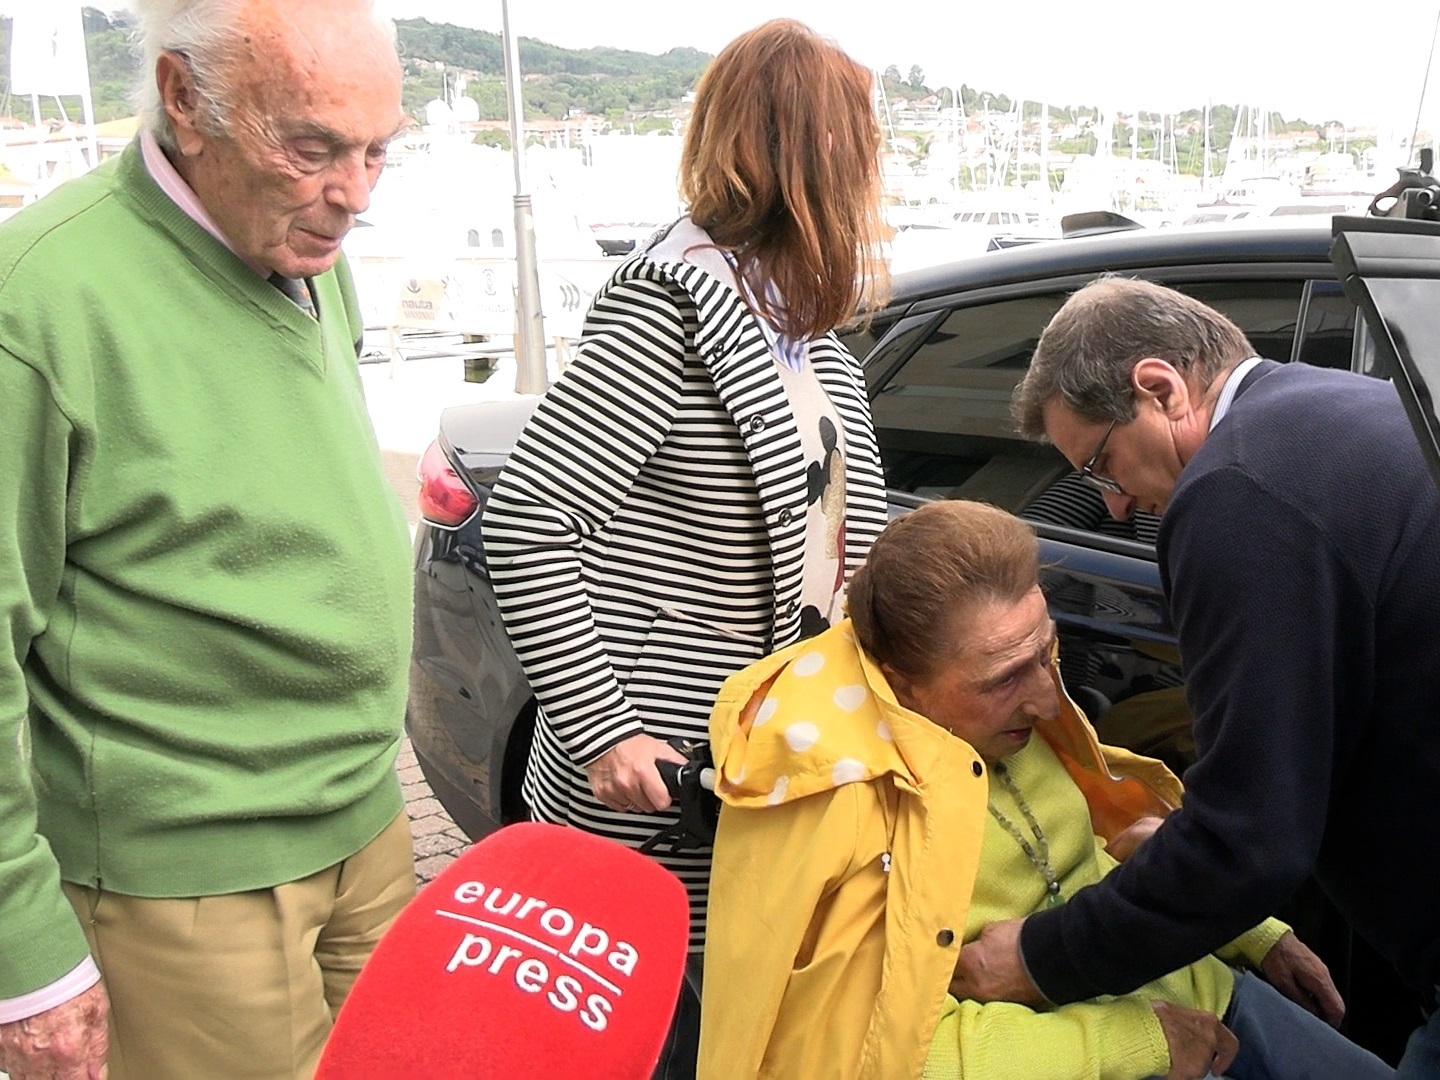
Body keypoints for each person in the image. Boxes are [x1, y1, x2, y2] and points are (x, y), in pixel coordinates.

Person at [0, 2, 415, 1077]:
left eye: (378, 151)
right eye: (313, 147)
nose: (353, 197)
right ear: (185, 99)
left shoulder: (305, 243)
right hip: (186, 883)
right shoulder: (38, 298)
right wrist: (27, 958)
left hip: (364, 823)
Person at [698, 500, 1392, 1079]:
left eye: (1045, 652)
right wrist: (1136, 1042)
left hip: (1198, 989)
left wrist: (1253, 932)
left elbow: (1101, 844)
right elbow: (890, 1054)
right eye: (1003, 679)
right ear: (899, 681)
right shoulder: (841, 803)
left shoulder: (1011, 714)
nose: (1042, 698)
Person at [949, 274, 1440, 1076]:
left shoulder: (1235, 494)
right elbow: (1305, 747)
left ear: (1160, 388)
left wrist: (1041, 959)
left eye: (1102, 465)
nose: (1112, 507)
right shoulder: (1342, 406)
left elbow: (1249, 840)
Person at [481, 18, 890, 958]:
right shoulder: (665, 308)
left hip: (769, 768)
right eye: (859, 143)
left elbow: (832, 532)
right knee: (655, 1025)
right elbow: (532, 521)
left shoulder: (799, 324)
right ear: (810, 153)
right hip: (667, 783)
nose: (871, 173)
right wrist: (604, 732)